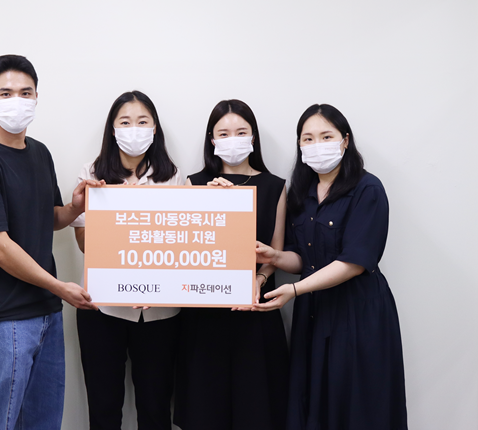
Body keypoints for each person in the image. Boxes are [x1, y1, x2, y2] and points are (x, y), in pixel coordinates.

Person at [0, 54, 102, 430]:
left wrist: (75, 207)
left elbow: (47, 218)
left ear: (36, 98)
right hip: (2, 320)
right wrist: (60, 287)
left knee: (43, 423)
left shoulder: (39, 153)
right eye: (6, 93)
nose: (16, 101)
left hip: (46, 313)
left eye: (25, 92)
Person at [254, 104, 407, 430]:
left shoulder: (367, 189)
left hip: (357, 312)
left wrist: (295, 289)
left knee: (358, 406)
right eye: (308, 138)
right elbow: (302, 258)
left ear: (345, 140)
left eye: (326, 136)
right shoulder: (301, 193)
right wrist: (275, 257)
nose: (317, 145)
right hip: (313, 313)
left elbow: (354, 263)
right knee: (315, 403)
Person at [174, 99, 289, 430]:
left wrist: (260, 279)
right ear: (212, 139)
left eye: (241, 132)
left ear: (253, 137)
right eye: (224, 133)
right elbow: (185, 251)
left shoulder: (275, 186)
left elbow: (275, 252)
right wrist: (211, 202)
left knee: (256, 410)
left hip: (255, 311)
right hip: (204, 315)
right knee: (205, 410)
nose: (233, 139)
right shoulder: (194, 183)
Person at [71, 90, 182, 430]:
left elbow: (181, 244)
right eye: (125, 122)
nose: (134, 129)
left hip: (160, 311)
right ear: (113, 128)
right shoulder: (91, 174)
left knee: (156, 409)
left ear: (155, 128)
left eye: (142, 121)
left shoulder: (174, 177)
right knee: (104, 410)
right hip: (102, 307)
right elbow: (84, 244)